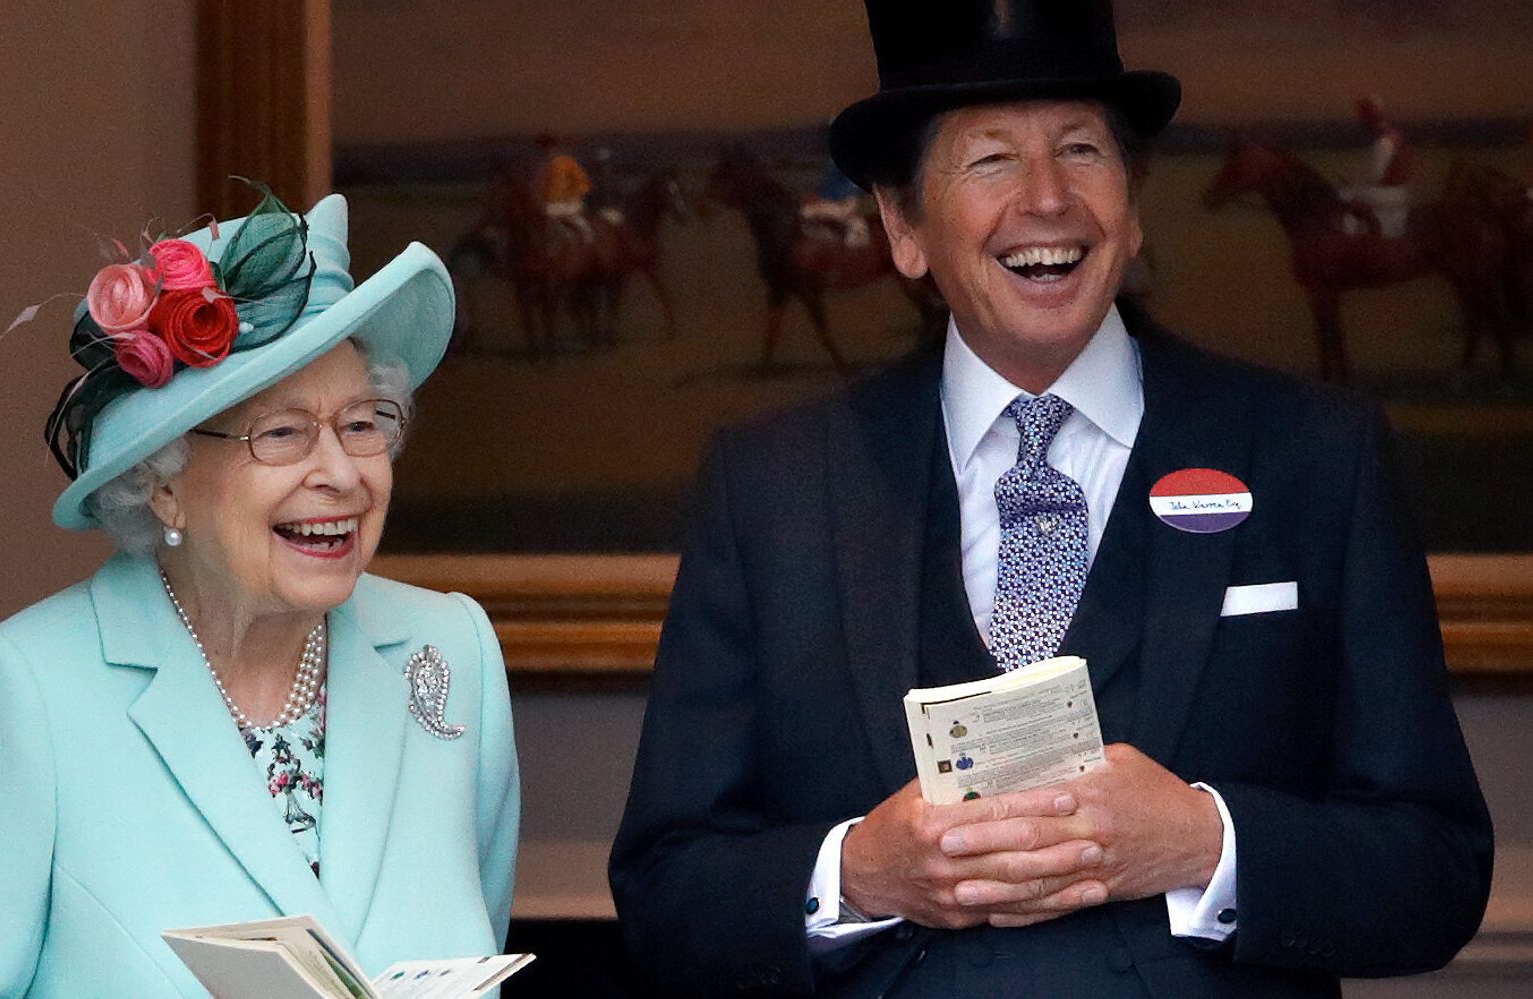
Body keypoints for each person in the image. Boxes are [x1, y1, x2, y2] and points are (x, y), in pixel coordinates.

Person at [609, 3, 1492, 997]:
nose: (1045, 200)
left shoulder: (1314, 457)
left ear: (1133, 200)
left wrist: (1204, 843)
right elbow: (665, 889)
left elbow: (1433, 871)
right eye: (988, 160)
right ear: (902, 226)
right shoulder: (768, 487)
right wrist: (857, 873)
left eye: (1079, 150)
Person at [0, 186, 520, 998]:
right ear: (163, 482)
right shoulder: (22, 693)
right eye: (281, 433)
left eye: (361, 423)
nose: (342, 473)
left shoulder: (448, 654)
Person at [1342, 95, 1413, 238]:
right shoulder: (1393, 136)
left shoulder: (1384, 142)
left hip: (1389, 194)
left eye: (1363, 115)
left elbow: (1379, 177)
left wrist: (1357, 183)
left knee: (1344, 195)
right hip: (1397, 192)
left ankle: (1350, 238)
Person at [536, 132, 594, 241]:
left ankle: (577, 240)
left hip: (568, 203)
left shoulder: (567, 163)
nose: (546, 151)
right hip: (547, 205)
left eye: (549, 147)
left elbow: (583, 184)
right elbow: (538, 190)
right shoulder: (541, 168)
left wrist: (569, 195)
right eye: (543, 148)